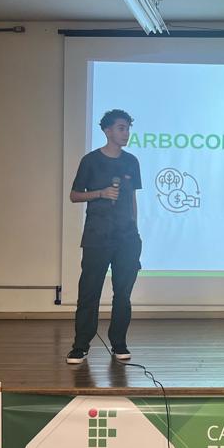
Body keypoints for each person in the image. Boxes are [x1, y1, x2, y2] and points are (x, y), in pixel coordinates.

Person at [66, 109, 142, 365]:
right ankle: (80, 346)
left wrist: (135, 230)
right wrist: (100, 193)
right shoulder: (90, 161)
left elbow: (132, 198)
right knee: (89, 292)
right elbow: (75, 195)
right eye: (121, 128)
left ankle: (119, 343)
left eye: (128, 128)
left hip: (127, 238)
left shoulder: (132, 161)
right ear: (107, 131)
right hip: (97, 236)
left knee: (123, 294)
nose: (126, 133)